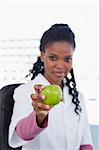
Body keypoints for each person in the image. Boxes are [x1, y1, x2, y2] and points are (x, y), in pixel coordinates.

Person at [9, 24, 93, 150]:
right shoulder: (26, 91)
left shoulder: (78, 98)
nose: (60, 65)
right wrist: (39, 116)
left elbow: (85, 143)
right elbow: (20, 134)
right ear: (42, 55)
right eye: (53, 58)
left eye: (67, 59)